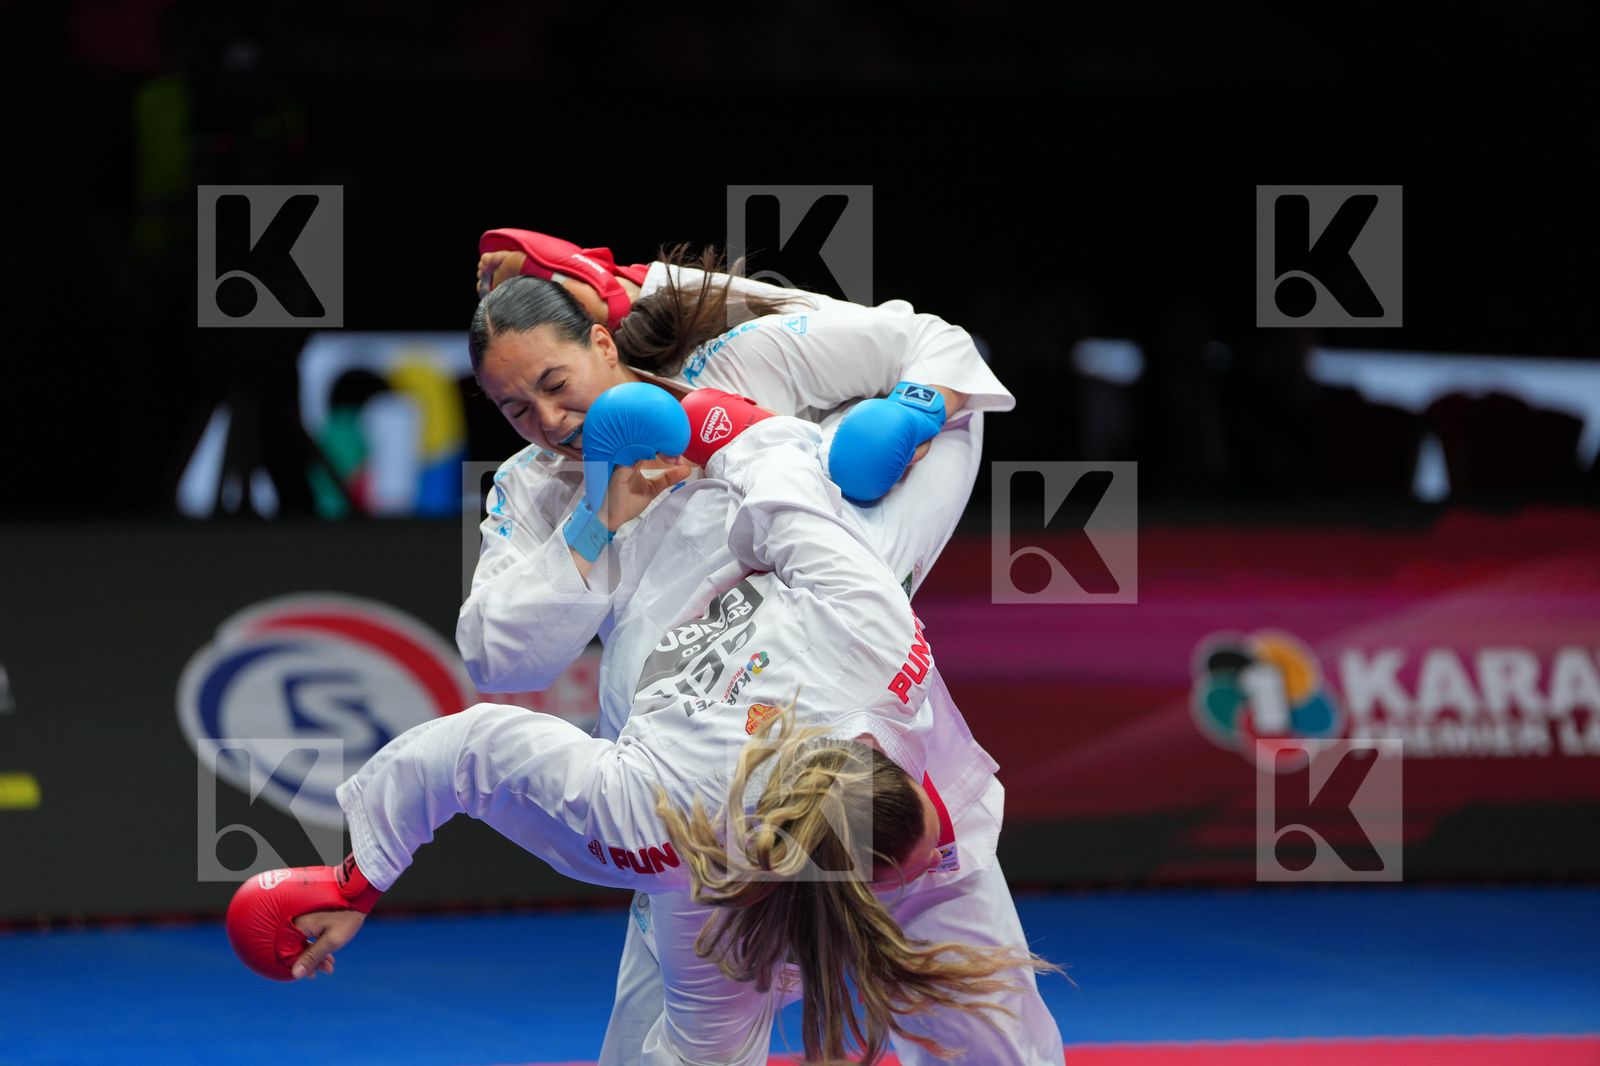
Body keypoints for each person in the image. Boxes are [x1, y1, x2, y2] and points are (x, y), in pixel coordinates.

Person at [234, 410, 1065, 1064]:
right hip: (721, 856)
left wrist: (717, 418)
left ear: (881, 753)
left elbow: (788, 494)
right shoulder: (664, 831)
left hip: (769, 663)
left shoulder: (876, 641)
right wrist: (355, 880)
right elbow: (469, 751)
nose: (939, 835)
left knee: (998, 1039)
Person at [460, 249, 1013, 702]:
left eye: (556, 385)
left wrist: (914, 411)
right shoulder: (528, 486)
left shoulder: (733, 363)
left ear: (603, 345)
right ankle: (622, 285)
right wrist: (593, 523)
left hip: (822, 650)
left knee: (867, 450)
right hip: (680, 722)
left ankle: (623, 285)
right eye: (517, 411)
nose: (550, 420)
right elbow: (493, 659)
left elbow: (929, 341)